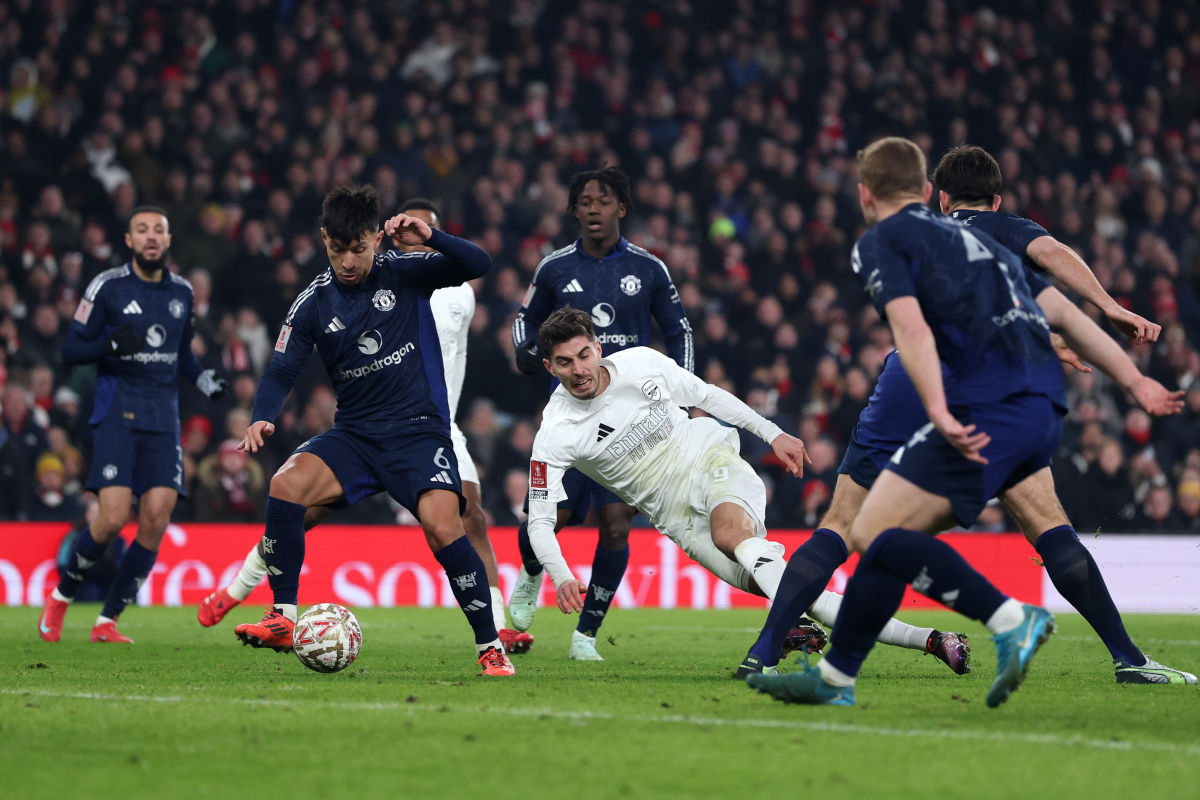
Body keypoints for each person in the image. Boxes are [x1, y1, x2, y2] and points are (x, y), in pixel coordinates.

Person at [746, 138, 1190, 710]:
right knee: (1043, 523)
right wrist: (1113, 325)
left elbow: (916, 329)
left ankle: (769, 652)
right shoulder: (1002, 234)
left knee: (852, 526)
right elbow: (1049, 278)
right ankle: (1128, 658)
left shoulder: (900, 239)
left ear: (936, 195)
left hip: (927, 381)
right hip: (1009, 392)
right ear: (993, 199)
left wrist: (938, 401)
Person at [525, 308, 967, 674]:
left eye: (584, 354)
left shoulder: (641, 362)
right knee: (795, 592)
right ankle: (932, 639)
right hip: (675, 518)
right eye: (565, 363)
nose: (580, 369)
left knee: (730, 535)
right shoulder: (556, 433)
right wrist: (562, 575)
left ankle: (771, 648)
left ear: (598, 347)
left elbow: (707, 395)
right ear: (550, 367)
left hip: (709, 459)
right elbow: (540, 521)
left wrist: (771, 433)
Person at [198, 198, 534, 655]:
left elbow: (480, 262)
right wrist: (263, 414)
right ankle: (282, 616)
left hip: (418, 433)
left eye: (358, 248)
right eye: (339, 250)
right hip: (355, 435)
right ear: (324, 241)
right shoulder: (312, 302)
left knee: (444, 526)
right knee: (285, 485)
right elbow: (280, 370)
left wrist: (431, 237)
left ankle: (489, 646)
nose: (349, 261)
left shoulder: (405, 271)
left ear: (376, 239)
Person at [509, 166, 695, 660]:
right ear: (574, 211)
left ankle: (585, 636)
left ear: (622, 209)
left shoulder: (650, 269)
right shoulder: (554, 269)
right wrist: (526, 352)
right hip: (569, 419)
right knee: (550, 519)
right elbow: (523, 322)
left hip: (630, 423)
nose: (594, 208)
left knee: (615, 522)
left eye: (604, 200)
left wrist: (681, 393)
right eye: (585, 201)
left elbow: (680, 332)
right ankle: (531, 572)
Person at [37, 206, 229, 644]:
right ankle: (62, 596)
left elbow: (183, 355)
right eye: (142, 230)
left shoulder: (182, 292)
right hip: (118, 412)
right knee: (110, 519)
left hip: (163, 418)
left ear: (168, 238)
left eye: (158, 230)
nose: (150, 237)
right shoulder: (108, 286)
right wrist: (108, 345)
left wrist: (202, 378)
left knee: (156, 519)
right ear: (128, 240)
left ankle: (107, 621)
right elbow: (70, 350)